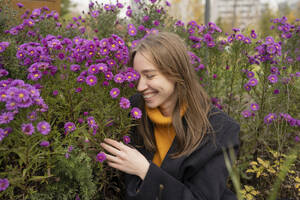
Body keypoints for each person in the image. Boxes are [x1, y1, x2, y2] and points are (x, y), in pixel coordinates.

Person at [100, 32, 240, 200]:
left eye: (150, 75)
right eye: (138, 76)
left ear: (176, 73)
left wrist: (145, 170)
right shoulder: (132, 110)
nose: (140, 86)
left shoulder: (220, 130)